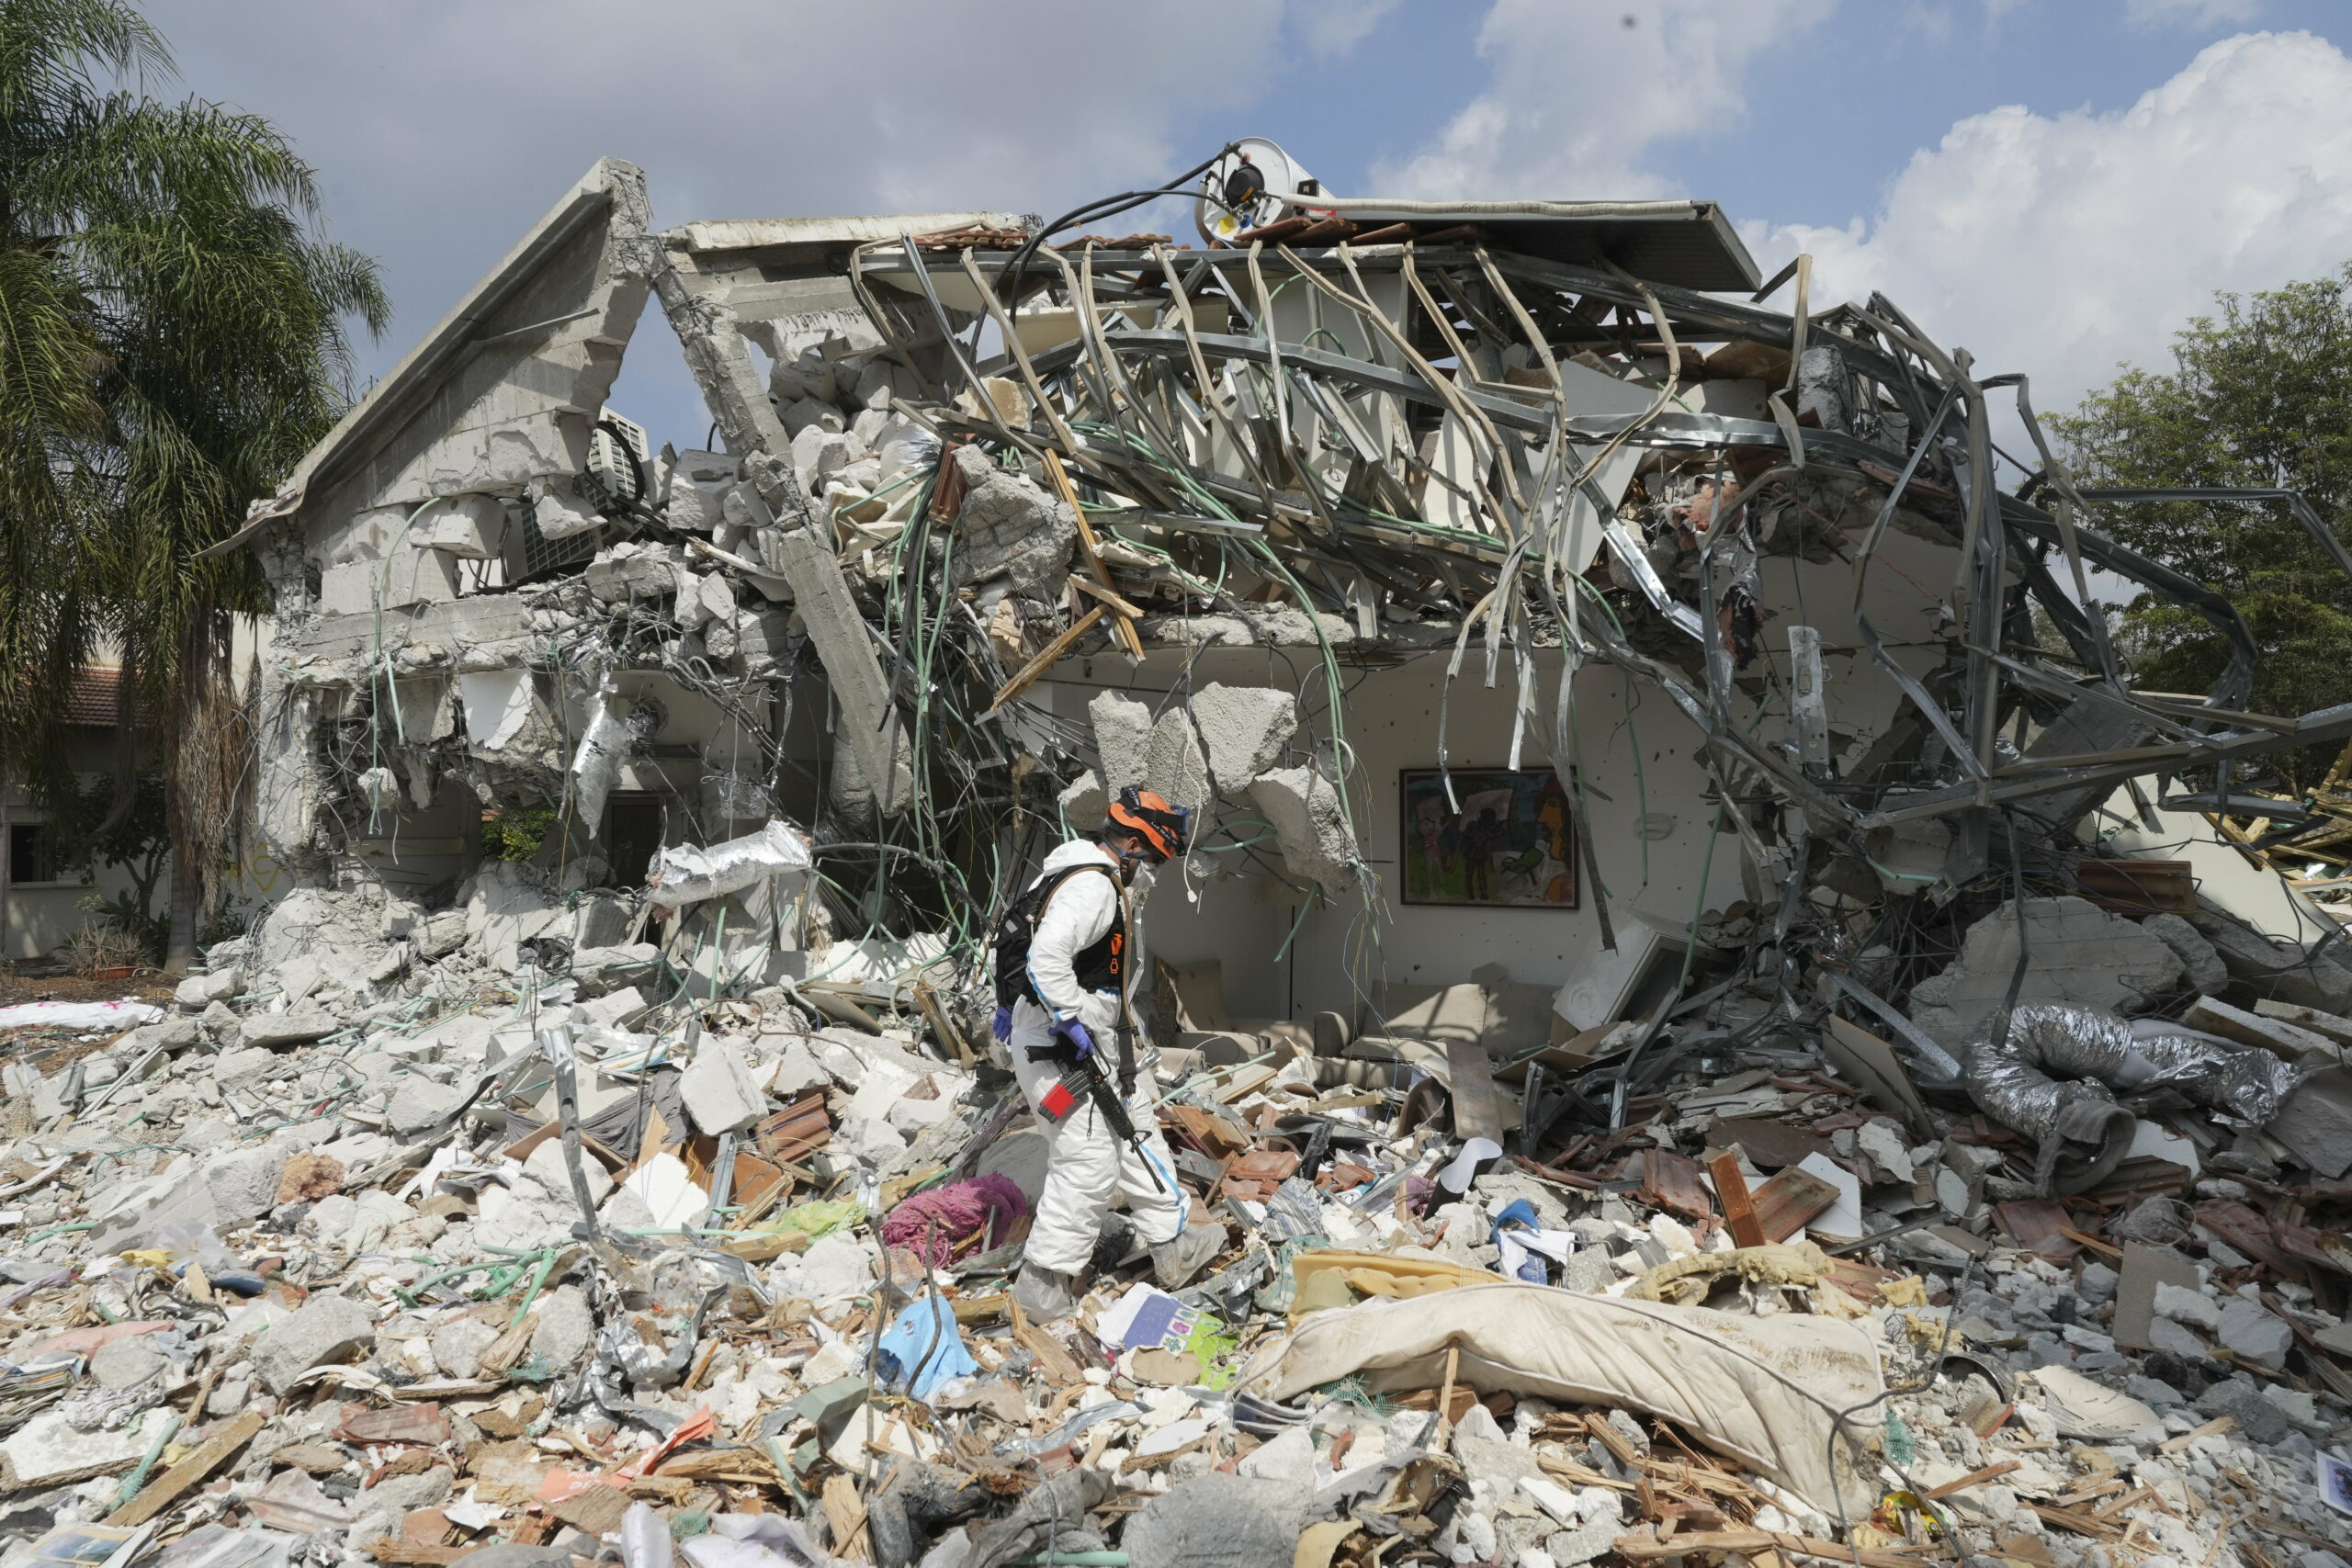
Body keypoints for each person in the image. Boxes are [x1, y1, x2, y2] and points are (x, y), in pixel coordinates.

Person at [996, 785, 1224, 1321]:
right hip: (1063, 1050)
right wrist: (1070, 1024)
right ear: (1139, 846)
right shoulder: (1093, 888)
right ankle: (1042, 1285)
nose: (1156, 872)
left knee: (1137, 1130)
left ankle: (1173, 1244)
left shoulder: (1077, 875)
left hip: (1097, 1043)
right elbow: (1046, 958)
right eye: (1159, 859)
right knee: (1089, 1159)